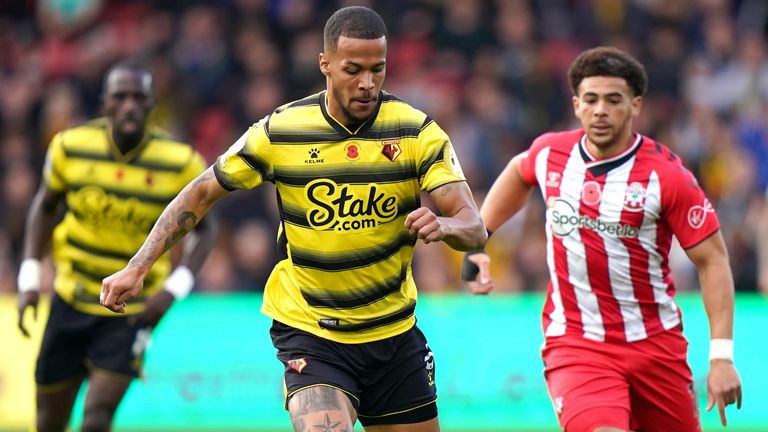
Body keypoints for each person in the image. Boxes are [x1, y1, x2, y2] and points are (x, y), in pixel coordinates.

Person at [100, 6, 486, 432]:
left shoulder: (416, 132)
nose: (367, 83)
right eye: (352, 69)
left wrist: (446, 226)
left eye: (378, 69)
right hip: (312, 331)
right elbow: (201, 191)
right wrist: (139, 266)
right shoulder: (280, 130)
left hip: (393, 335)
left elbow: (472, 224)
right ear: (325, 64)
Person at [462, 47, 742, 432]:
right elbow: (518, 172)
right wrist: (479, 240)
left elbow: (713, 261)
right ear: (576, 104)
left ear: (635, 105)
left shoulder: (668, 177)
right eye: (590, 99)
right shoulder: (550, 153)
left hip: (657, 345)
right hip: (577, 342)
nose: (600, 110)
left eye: (613, 100)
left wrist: (721, 357)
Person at [16, 62, 216, 432]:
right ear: (105, 102)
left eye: (138, 98)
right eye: (120, 97)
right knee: (48, 421)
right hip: (70, 298)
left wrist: (173, 290)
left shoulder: (179, 163)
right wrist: (29, 276)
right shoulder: (71, 147)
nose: (129, 106)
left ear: (152, 103)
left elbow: (207, 229)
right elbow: (45, 207)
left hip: (132, 311)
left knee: (98, 415)